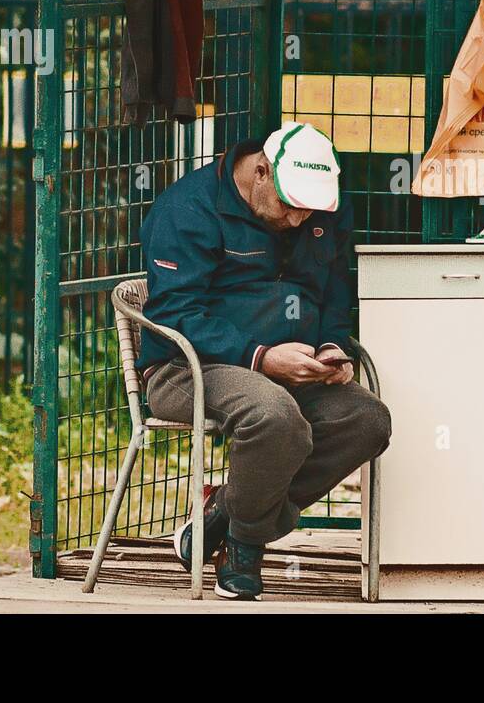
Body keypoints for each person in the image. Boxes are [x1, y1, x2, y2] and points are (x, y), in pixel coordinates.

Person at [138, 122, 392, 599]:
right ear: (260, 171)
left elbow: (335, 288)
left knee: (367, 420)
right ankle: (243, 549)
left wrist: (333, 345)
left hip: (291, 368)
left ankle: (226, 513)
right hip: (188, 367)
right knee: (274, 417)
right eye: (289, 205)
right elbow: (175, 313)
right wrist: (259, 357)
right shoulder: (187, 208)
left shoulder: (319, 205)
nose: (298, 220)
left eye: (309, 210)